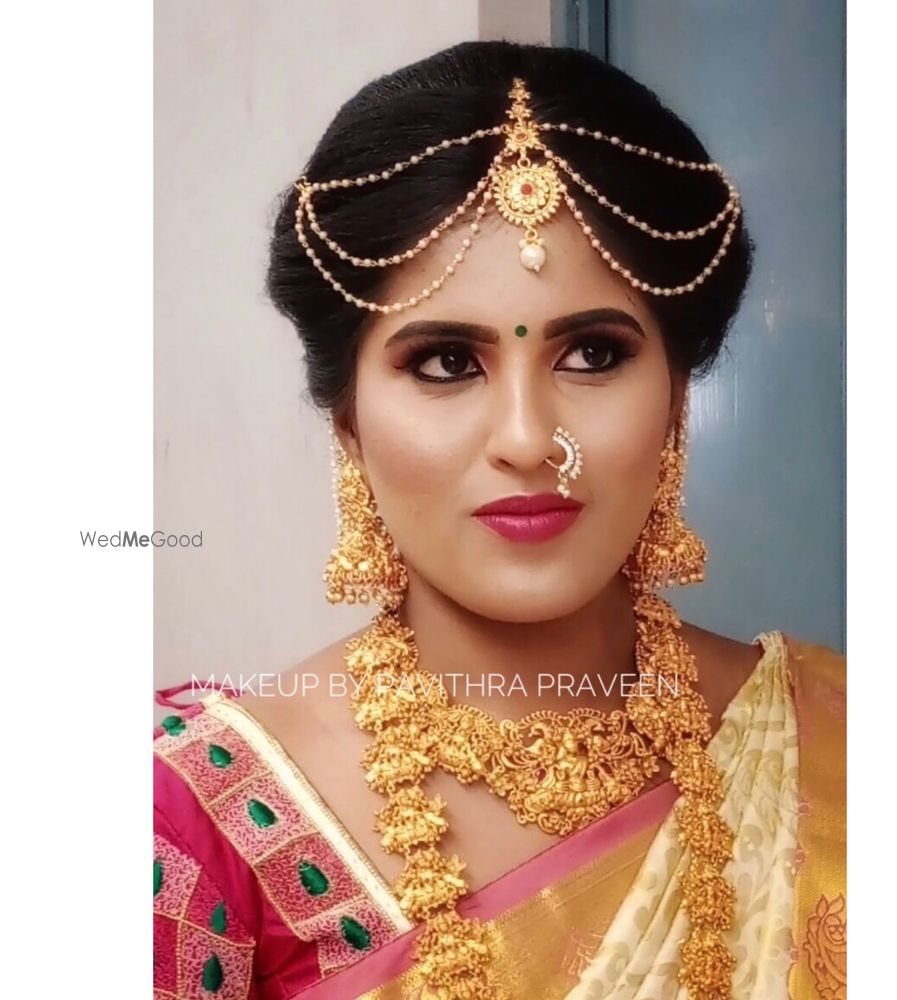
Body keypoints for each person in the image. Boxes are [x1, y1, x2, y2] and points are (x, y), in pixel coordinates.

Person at [153, 40, 845, 1000]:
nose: (526, 440)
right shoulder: (202, 814)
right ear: (348, 417)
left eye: (592, 354)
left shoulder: (846, 744)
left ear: (677, 400)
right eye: (446, 362)